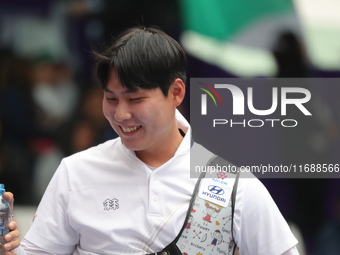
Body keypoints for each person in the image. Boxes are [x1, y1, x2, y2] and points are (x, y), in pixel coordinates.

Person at [6, 26, 299, 255]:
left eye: (135, 99)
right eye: (111, 98)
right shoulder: (76, 172)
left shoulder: (235, 186)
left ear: (176, 93)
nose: (121, 114)